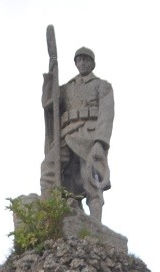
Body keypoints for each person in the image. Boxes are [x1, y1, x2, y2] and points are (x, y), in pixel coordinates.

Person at [41, 46, 114, 222]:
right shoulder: (67, 87)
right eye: (79, 60)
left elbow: (106, 115)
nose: (82, 63)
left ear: (92, 63)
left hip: (88, 135)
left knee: (90, 176)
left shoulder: (102, 86)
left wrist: (100, 142)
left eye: (86, 60)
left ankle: (96, 223)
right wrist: (51, 77)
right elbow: (49, 104)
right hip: (66, 135)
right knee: (49, 168)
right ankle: (51, 212)